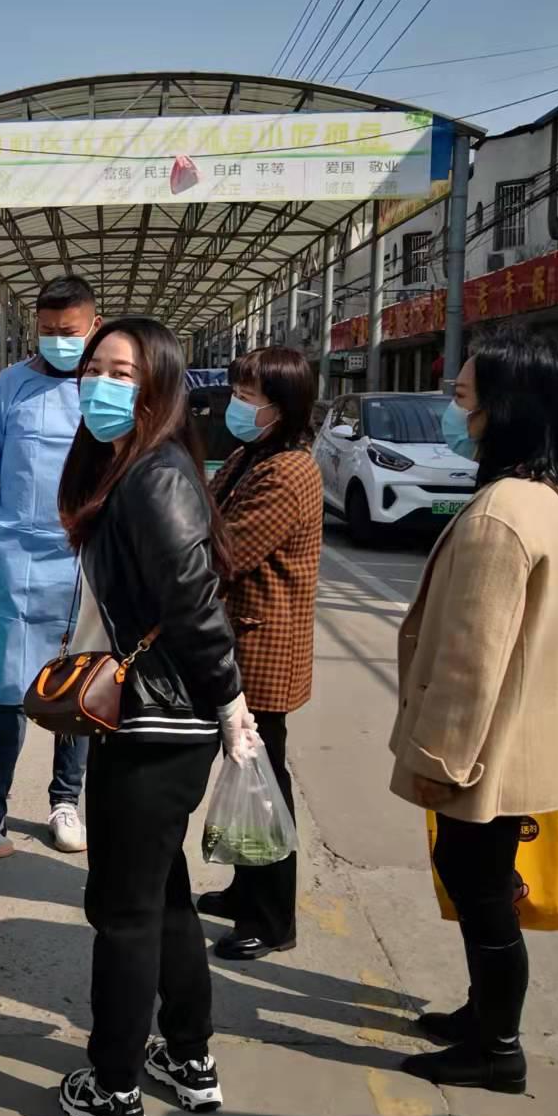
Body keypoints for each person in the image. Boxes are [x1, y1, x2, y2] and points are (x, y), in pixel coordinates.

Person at [53, 318, 258, 1116]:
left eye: (120, 371)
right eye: (94, 368)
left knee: (125, 910)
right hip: (162, 719)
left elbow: (194, 603)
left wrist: (231, 701)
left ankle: (113, 1089)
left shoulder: (155, 477)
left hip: (156, 725)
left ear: (156, 385)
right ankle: (190, 1058)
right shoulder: (137, 469)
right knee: (164, 893)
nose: (101, 383)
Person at [390, 327, 558, 1096]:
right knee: (485, 880)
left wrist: (440, 763)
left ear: (504, 409)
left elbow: (472, 662)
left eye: (463, 398)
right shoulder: (555, 497)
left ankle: (498, 1046)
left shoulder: (499, 515)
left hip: (486, 748)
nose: (453, 410)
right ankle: (482, 1013)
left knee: (479, 886)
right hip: (527, 735)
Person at [0, 275, 103, 866]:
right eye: (46, 332)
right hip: (18, 555)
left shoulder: (104, 389)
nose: (57, 342)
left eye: (68, 332)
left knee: (75, 685)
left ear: (92, 325)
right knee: (8, 692)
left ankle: (65, 801)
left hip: (82, 559)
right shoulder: (11, 386)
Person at [194, 347, 323, 961]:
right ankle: (248, 888)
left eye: (250, 395)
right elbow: (208, 506)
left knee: (263, 780)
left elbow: (229, 548)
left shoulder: (289, 472)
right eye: (238, 390)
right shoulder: (252, 454)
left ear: (283, 405)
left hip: (264, 646)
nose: (238, 404)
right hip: (243, 638)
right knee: (247, 771)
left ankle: (273, 918)